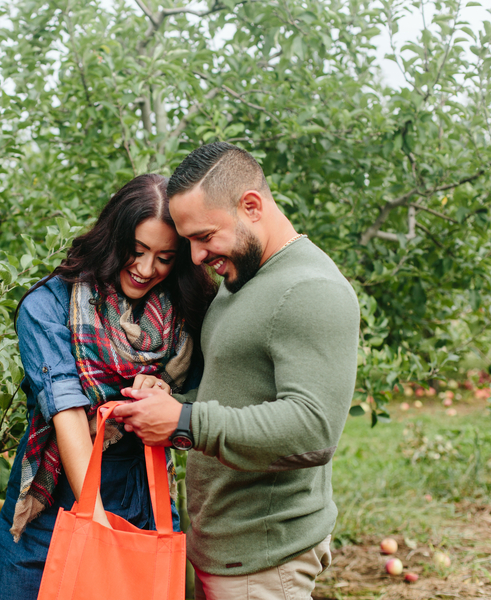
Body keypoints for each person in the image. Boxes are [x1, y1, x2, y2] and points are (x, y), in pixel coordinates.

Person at [112, 142, 361, 600]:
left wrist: (183, 422)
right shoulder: (242, 277)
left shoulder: (311, 290)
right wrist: (170, 404)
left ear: (251, 206)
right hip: (227, 549)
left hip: (264, 556)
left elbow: (314, 430)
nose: (196, 256)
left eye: (205, 236)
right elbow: (232, 396)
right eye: (189, 241)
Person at [0, 173, 216, 600]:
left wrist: (165, 396)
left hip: (142, 492)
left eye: (164, 257)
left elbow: (201, 402)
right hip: (55, 500)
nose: (147, 269)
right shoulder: (49, 305)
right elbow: (67, 412)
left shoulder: (186, 314)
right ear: (114, 238)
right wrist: (94, 524)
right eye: (137, 251)